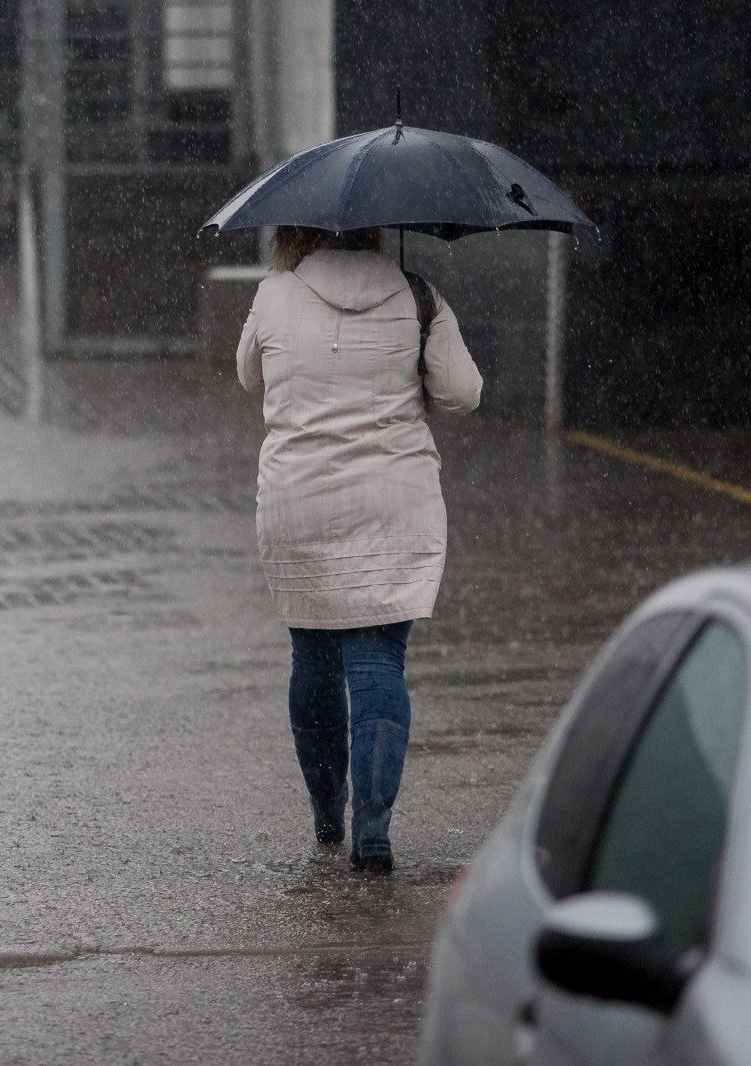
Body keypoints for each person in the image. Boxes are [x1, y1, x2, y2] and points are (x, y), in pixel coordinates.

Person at [235, 226, 483, 874]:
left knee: (313, 657)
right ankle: (373, 834)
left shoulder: (274, 296)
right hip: (391, 502)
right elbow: (464, 393)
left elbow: (248, 376)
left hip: (299, 503)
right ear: (376, 231)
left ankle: (327, 812)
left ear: (294, 232)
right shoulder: (418, 296)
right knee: (377, 663)